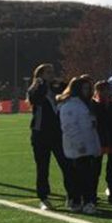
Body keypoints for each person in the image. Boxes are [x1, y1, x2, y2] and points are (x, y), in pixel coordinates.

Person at [28, 63, 73, 211]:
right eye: (47, 72)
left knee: (66, 164)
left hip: (57, 133)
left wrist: (63, 83)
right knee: (43, 168)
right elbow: (35, 98)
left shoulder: (55, 87)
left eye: (52, 71)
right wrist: (40, 83)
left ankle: (72, 196)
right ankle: (43, 198)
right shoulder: (35, 88)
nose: (51, 74)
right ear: (40, 75)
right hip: (40, 134)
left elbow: (70, 89)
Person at [59, 75, 101, 215]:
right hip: (78, 148)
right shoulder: (70, 106)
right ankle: (80, 202)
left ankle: (84, 201)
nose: (88, 91)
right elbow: (69, 128)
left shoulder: (85, 104)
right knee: (79, 177)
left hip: (87, 146)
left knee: (87, 176)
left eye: (89, 88)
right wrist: (79, 144)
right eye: (85, 88)